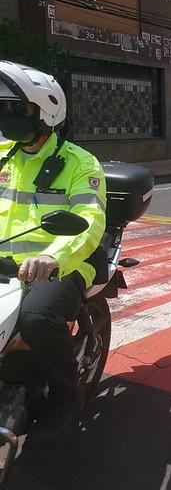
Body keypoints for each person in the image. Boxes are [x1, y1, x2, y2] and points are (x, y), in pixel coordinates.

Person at [0, 61, 106, 442]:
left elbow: (90, 217)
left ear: (46, 112)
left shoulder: (80, 163)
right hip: (4, 264)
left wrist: (53, 257)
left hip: (64, 265)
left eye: (15, 109)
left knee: (36, 317)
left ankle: (67, 394)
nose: (5, 117)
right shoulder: (3, 154)